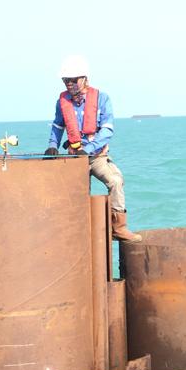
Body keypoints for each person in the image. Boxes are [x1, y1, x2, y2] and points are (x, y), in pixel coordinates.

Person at [43, 55, 141, 242]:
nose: (69, 84)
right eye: (66, 80)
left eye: (73, 80)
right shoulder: (62, 102)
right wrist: (52, 146)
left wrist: (89, 149)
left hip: (96, 156)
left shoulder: (102, 99)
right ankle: (77, 230)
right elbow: (57, 126)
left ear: (84, 79)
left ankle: (118, 227)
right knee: (77, 192)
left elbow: (107, 130)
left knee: (115, 181)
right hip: (75, 159)